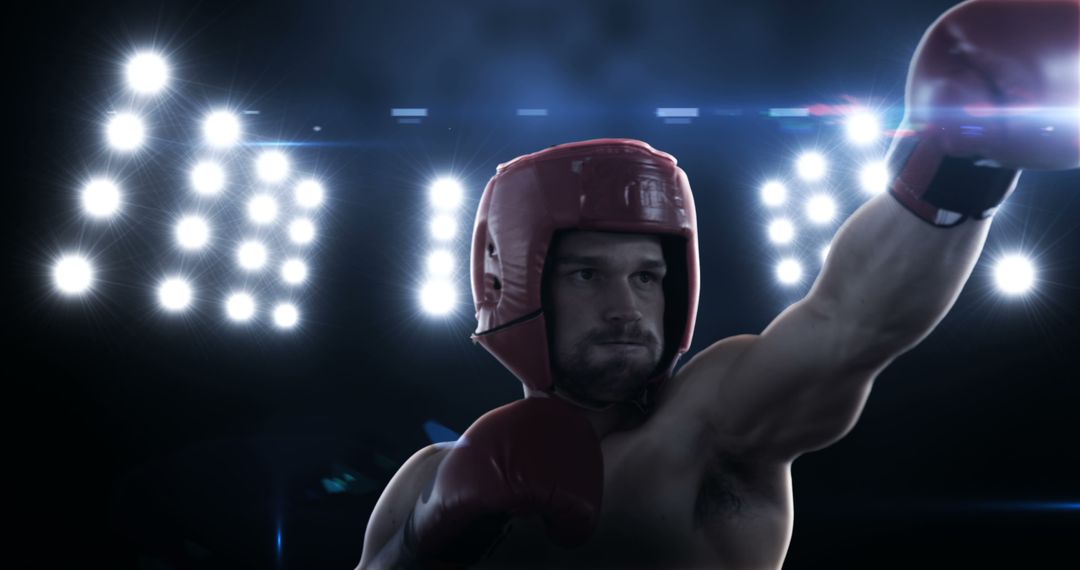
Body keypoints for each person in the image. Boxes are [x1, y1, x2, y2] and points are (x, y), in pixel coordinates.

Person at [357, 1, 1079, 567]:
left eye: (648, 276)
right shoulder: (427, 481)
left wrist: (958, 166)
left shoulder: (705, 425)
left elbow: (849, 324)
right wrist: (424, 539)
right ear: (511, 283)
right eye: (587, 274)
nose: (627, 307)